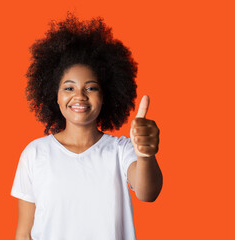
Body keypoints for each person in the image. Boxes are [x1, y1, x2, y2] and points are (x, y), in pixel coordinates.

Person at [11, 11, 163, 240]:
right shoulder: (35, 153)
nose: (79, 96)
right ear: (55, 96)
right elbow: (23, 234)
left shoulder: (121, 150)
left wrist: (145, 156)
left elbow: (147, 193)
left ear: (106, 95)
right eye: (69, 88)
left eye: (90, 88)